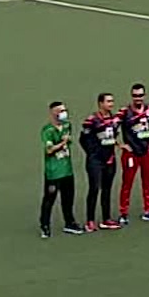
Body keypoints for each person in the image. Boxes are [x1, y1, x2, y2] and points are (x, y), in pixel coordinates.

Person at [117, 83, 149, 224]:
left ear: (144, 96)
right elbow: (110, 127)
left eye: (140, 95)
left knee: (148, 182)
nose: (138, 98)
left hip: (147, 152)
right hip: (131, 153)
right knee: (127, 183)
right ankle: (123, 213)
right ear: (132, 96)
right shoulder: (124, 112)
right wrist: (120, 145)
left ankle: (148, 210)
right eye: (135, 96)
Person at [39, 101, 83, 239]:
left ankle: (69, 223)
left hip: (67, 170)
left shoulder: (67, 126)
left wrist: (66, 141)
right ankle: (45, 225)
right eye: (61, 110)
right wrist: (63, 142)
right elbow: (49, 150)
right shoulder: (47, 130)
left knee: (68, 198)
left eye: (65, 109)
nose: (64, 112)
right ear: (53, 113)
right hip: (54, 172)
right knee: (49, 199)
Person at [79, 93, 120, 230]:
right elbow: (83, 139)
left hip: (110, 159)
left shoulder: (114, 119)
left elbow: (113, 136)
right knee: (94, 189)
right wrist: (92, 153)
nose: (111, 104)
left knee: (107, 189)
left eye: (112, 101)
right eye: (108, 101)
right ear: (100, 103)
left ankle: (106, 219)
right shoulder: (91, 121)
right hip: (95, 161)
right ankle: (90, 220)